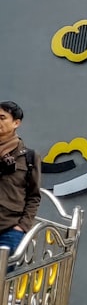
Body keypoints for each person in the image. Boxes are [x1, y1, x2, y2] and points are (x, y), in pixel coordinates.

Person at [0, 101, 41, 256]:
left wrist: (22, 226)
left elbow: (34, 196)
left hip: (9, 230)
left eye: (2, 117)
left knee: (5, 278)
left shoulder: (29, 157)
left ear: (16, 123)